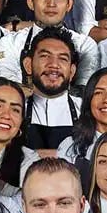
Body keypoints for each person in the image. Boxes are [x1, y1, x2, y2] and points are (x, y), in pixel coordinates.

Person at [0, 0, 98, 90]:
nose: (51, 3)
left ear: (69, 4)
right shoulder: (9, 42)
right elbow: (8, 90)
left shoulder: (85, 45)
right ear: (31, 2)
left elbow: (84, 92)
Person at [16, 27, 83, 157]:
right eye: (45, 56)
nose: (54, 65)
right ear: (28, 65)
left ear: (72, 71)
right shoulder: (14, 110)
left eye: (63, 59)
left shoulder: (86, 111)